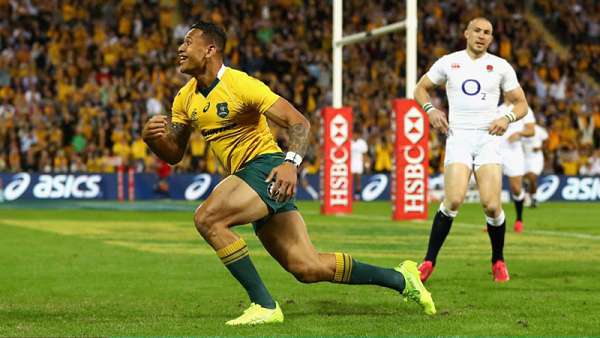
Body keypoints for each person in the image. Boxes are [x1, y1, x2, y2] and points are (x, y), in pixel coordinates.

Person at [142, 21, 435, 326]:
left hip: (266, 168)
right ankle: (402, 278)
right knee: (307, 268)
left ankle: (264, 305)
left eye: (188, 42)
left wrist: (290, 163)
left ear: (210, 49)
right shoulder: (183, 98)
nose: (180, 48)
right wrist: (154, 141)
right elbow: (174, 153)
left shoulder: (241, 85)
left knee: (208, 218)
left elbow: (299, 122)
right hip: (250, 179)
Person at [413, 17, 529, 283]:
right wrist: (430, 110)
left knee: (491, 206)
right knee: (453, 200)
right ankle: (429, 260)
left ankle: (498, 259)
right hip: (459, 137)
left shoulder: (500, 66)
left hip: (488, 139)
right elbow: (420, 89)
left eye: (487, 32)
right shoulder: (449, 62)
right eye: (477, 30)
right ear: (466, 33)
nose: (481, 35)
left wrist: (507, 118)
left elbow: (520, 104)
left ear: (491, 38)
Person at [497, 102, 535, 232]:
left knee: (516, 188)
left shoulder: (524, 108)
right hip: (495, 151)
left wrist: (519, 134)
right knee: (493, 188)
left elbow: (531, 130)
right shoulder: (496, 107)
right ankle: (493, 222)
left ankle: (519, 219)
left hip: (514, 152)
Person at [522, 122, 549, 207]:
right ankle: (529, 198)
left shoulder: (539, 130)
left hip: (536, 158)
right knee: (525, 178)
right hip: (524, 157)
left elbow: (547, 141)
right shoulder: (520, 129)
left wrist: (540, 148)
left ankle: (532, 197)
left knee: (532, 177)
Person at [350, 126, 368, 199]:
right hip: (350, 163)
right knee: (350, 180)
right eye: (354, 134)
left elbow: (365, 154)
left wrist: (365, 164)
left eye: (357, 134)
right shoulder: (349, 142)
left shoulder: (362, 143)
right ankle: (349, 196)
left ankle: (357, 196)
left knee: (358, 180)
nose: (355, 135)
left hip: (358, 163)